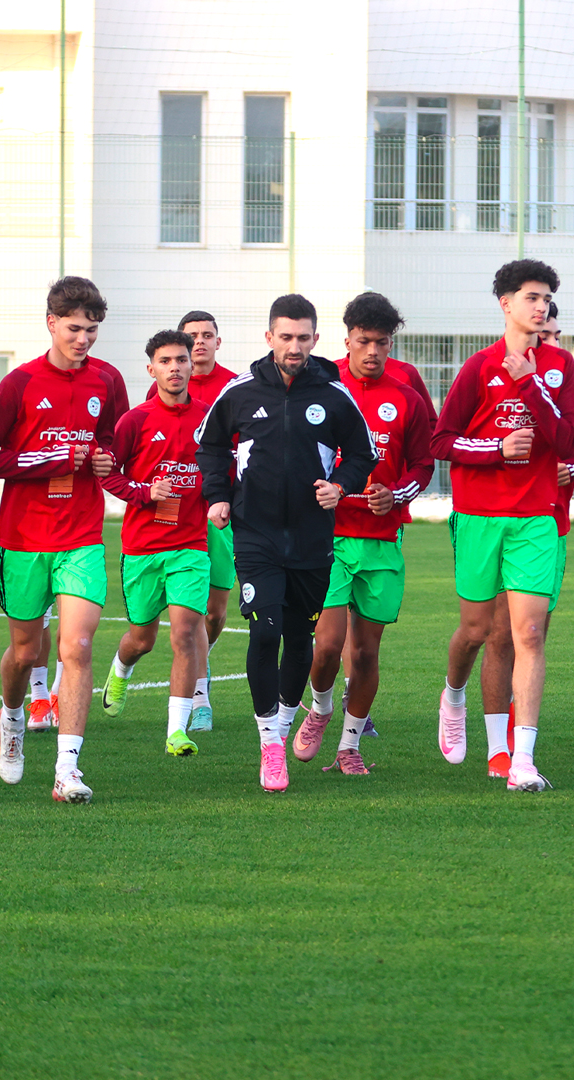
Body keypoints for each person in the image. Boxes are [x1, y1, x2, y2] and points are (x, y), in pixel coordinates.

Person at [197, 293, 376, 793]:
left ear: (315, 339)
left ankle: (282, 723)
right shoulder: (240, 390)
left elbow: (363, 454)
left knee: (300, 640)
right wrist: (218, 495)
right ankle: (270, 744)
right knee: (265, 633)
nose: (294, 346)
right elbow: (210, 444)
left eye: (302, 338)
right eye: (285, 337)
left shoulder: (335, 394)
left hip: (313, 539)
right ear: (269, 337)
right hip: (255, 534)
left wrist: (340, 485)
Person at [431, 259, 574, 792]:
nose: (541, 307)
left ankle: (521, 760)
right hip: (479, 517)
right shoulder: (477, 367)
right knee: (477, 631)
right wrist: (496, 449)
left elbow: (572, 443)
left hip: (536, 518)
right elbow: (442, 441)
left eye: (546, 299)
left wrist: (532, 385)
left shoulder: (560, 366)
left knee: (529, 634)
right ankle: (453, 695)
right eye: (531, 297)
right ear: (506, 303)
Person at [0, 276, 115, 804]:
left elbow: (114, 444)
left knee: (77, 646)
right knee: (26, 650)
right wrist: (48, 459)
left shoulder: (107, 380)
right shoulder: (20, 383)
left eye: (91, 330)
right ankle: (12, 718)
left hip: (82, 534)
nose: (83, 339)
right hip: (25, 537)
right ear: (51, 323)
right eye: (74, 328)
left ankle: (67, 769)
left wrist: (107, 460)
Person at [290, 292, 433, 775]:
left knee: (367, 653)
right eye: (364, 341)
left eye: (382, 342)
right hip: (327, 538)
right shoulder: (319, 384)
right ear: (348, 339)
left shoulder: (407, 396)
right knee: (329, 645)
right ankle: (320, 708)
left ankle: (349, 747)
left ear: (391, 343)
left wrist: (397, 495)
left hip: (382, 540)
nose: (372, 351)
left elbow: (423, 464)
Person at [100, 330, 210, 756]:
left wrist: (223, 498)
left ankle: (176, 731)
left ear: (191, 365)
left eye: (181, 359)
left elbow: (227, 469)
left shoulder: (209, 419)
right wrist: (145, 492)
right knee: (141, 639)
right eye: (165, 361)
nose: (175, 367)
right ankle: (120, 669)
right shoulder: (135, 420)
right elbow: (108, 475)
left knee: (185, 633)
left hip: (191, 544)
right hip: (143, 547)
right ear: (151, 369)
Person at [159, 310, 237, 731]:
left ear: (217, 342)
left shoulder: (235, 386)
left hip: (220, 513)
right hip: (179, 516)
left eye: (207, 335)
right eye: (192, 337)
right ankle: (200, 694)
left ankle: (200, 668)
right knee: (193, 610)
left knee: (216, 612)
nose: (200, 342)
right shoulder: (165, 387)